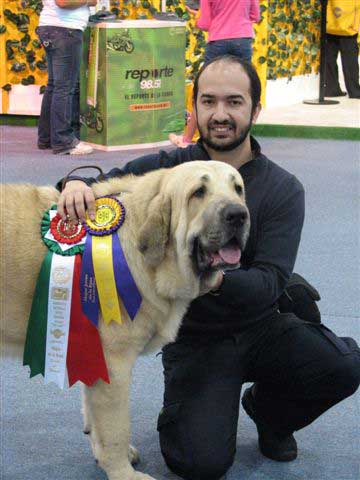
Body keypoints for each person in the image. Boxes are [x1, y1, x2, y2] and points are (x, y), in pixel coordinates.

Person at [57, 55, 360, 480]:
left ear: (255, 109)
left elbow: (267, 283)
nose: (220, 114)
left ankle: (270, 413)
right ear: (194, 107)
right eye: (208, 101)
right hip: (195, 339)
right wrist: (74, 183)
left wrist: (201, 277)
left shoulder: (283, 188)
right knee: (199, 463)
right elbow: (103, 188)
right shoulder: (169, 168)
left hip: (260, 321)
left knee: (343, 365)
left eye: (234, 102)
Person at [169, 0, 260, 148]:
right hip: (242, 39)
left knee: (203, 89)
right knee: (247, 89)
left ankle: (186, 140)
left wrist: (197, 15)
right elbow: (255, 16)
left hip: (218, 40)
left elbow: (204, 24)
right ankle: (243, 141)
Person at [37, 0, 96, 154]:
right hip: (65, 30)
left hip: (52, 28)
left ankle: (47, 138)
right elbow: (63, 2)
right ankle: (64, 142)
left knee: (54, 86)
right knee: (64, 87)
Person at [325, 0, 360, 98]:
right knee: (350, 59)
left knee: (329, 57)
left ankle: (332, 89)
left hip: (330, 24)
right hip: (348, 27)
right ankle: (354, 91)